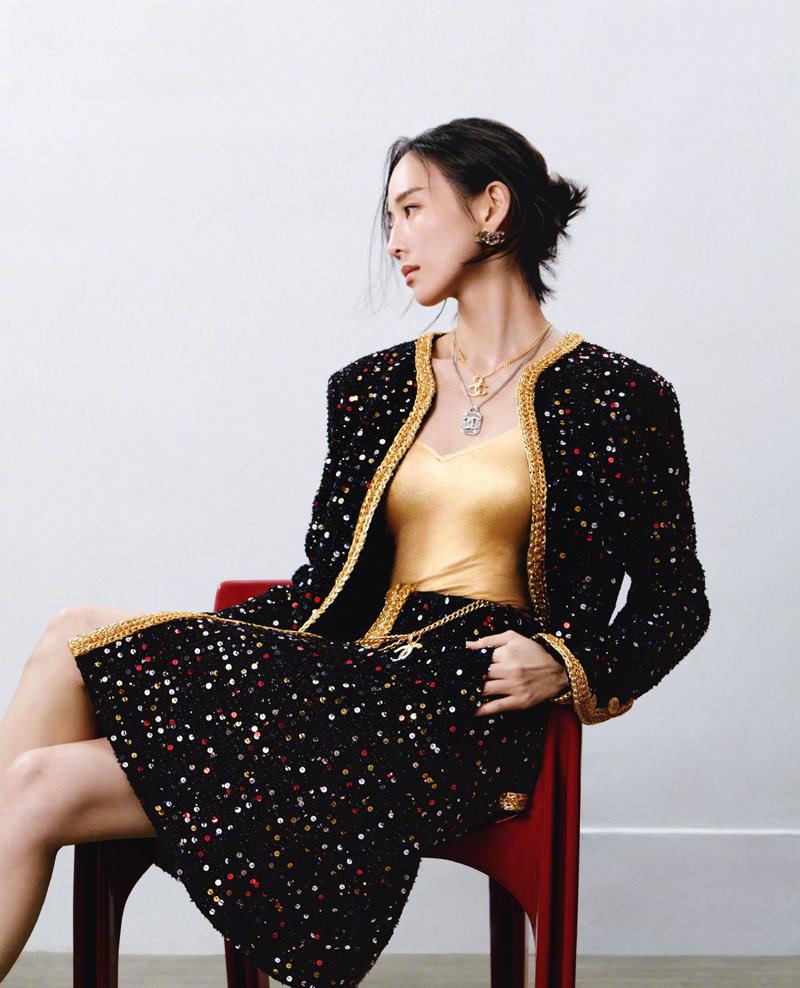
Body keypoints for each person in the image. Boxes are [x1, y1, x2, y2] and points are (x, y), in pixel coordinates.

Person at [0, 117, 710, 987]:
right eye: (389, 218)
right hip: (346, 674)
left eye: (412, 210)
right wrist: (235, 641)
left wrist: (563, 665)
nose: (394, 241)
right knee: (48, 724)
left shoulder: (618, 397)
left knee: (62, 700)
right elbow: (326, 583)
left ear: (491, 208)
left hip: (462, 702)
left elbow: (677, 602)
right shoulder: (372, 388)